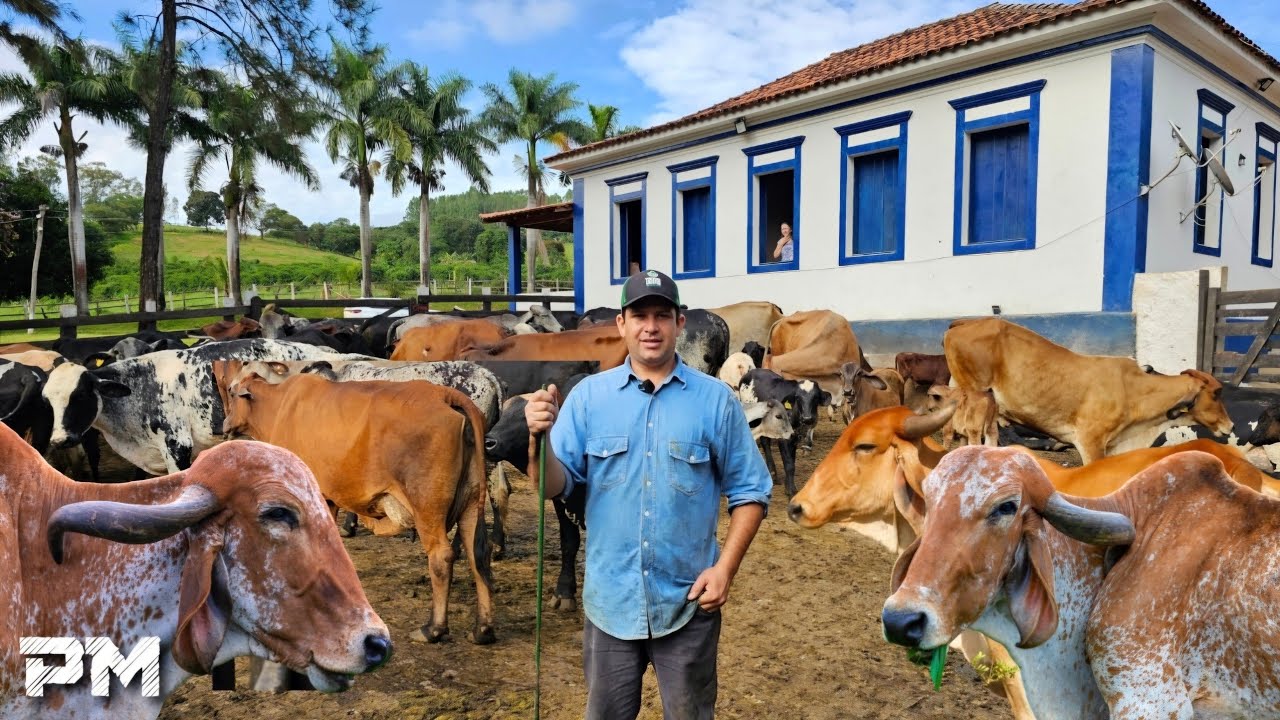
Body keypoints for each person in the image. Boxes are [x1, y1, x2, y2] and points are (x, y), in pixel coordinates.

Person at [525, 269, 772, 719]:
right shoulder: (587, 398)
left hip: (689, 602)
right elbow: (552, 487)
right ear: (622, 324)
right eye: (640, 315)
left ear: (680, 323)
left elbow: (751, 492)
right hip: (610, 603)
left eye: (663, 315)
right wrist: (537, 443)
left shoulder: (716, 401)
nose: (651, 326)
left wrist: (725, 570)